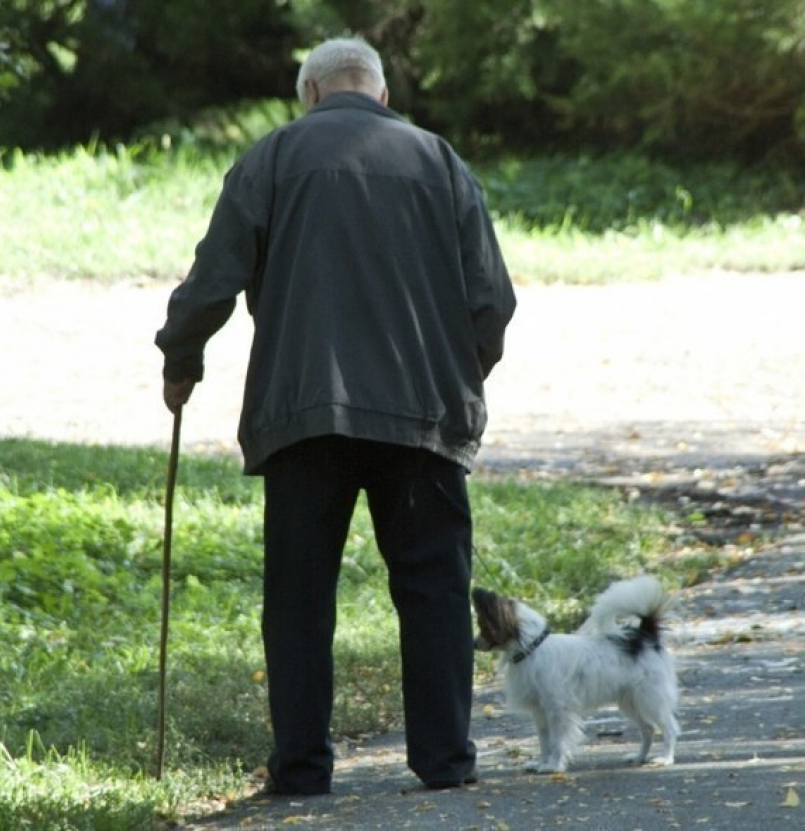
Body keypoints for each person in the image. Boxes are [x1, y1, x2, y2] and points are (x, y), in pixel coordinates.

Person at [155, 36, 516, 795]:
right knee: (434, 587)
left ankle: (300, 769)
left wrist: (180, 358)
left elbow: (212, 277)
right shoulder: (440, 161)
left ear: (310, 95)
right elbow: (493, 302)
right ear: (380, 94)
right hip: (422, 417)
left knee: (298, 593)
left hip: (303, 412)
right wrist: (455, 378)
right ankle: (445, 760)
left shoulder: (273, 158)